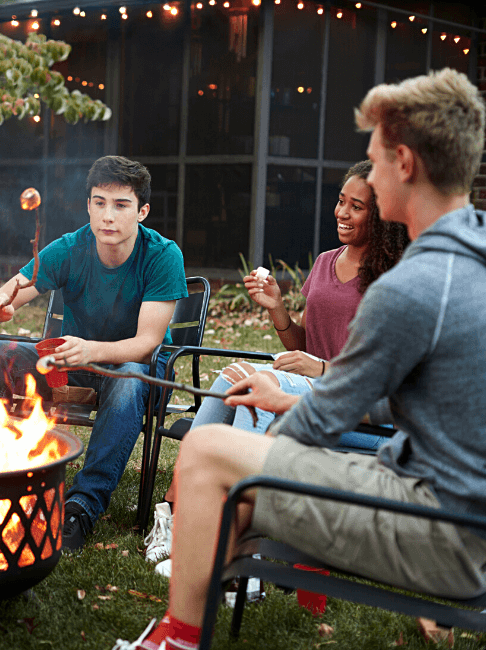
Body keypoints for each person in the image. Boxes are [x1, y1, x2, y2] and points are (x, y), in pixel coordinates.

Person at [135, 68, 486, 650]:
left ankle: (180, 632)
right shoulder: (472, 253)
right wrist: (287, 393)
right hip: (461, 509)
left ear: (404, 163)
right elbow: (414, 390)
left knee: (207, 452)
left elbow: (314, 428)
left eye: (372, 163)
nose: (367, 176)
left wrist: (276, 414)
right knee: (243, 433)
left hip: (440, 532)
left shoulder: (411, 285)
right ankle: (220, 575)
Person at [0, 155, 188, 551]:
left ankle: (81, 505)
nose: (108, 216)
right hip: (73, 366)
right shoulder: (71, 246)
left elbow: (147, 341)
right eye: (99, 202)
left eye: (121, 205)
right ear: (88, 205)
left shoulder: (162, 255)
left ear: (143, 210)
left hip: (141, 375)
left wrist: (89, 351)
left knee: (129, 377)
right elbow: (18, 289)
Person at [188, 161, 409, 444]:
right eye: (341, 201)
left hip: (361, 412)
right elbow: (304, 349)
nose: (341, 212)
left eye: (356, 207)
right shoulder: (325, 261)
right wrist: (276, 307)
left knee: (255, 389)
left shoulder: (394, 278)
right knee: (234, 378)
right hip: (309, 390)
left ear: (382, 216)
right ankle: (191, 481)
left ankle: (235, 480)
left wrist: (323, 369)